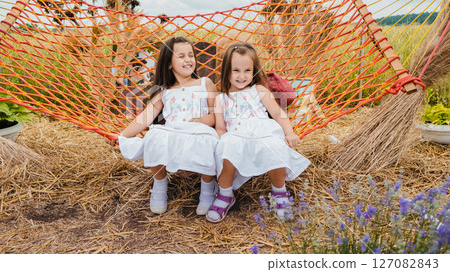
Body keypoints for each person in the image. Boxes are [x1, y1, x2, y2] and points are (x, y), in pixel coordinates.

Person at [108, 36, 218, 215]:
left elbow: (217, 114)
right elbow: (145, 117)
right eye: (181, 56)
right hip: (173, 132)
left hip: (198, 131)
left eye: (191, 55)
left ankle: (207, 189)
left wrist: (204, 121)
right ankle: (159, 186)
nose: (188, 59)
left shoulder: (205, 83)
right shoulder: (164, 91)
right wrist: (122, 135)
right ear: (169, 64)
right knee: (154, 135)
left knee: (208, 141)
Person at [206, 42, 310, 223]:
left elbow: (278, 113)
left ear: (254, 70)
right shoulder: (221, 98)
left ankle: (279, 191)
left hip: (263, 132)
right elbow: (221, 128)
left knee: (273, 147)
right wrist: (220, 141)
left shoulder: (259, 90)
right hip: (236, 135)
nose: (241, 75)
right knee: (226, 149)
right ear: (226, 72)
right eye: (236, 70)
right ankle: (225, 194)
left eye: (247, 70)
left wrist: (289, 133)